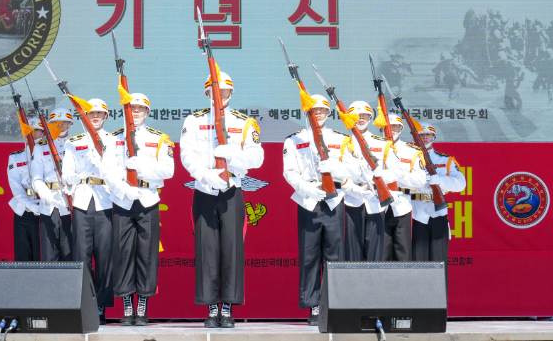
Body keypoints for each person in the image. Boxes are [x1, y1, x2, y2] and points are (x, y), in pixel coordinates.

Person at [180, 71, 264, 328]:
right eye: (215, 92)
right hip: (205, 191)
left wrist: (233, 155)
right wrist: (203, 174)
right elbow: (187, 154)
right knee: (206, 251)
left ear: (230, 93)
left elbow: (257, 158)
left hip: (231, 191)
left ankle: (227, 308)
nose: (219, 95)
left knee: (232, 250)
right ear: (207, 93)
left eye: (224, 91)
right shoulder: (193, 121)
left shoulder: (245, 122)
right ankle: (211, 307)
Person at [282, 94, 362, 325]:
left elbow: (356, 170)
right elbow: (290, 172)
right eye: (313, 110)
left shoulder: (341, 139)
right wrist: (305, 188)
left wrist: (335, 167)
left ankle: (333, 304)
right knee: (309, 256)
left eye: (322, 110)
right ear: (306, 112)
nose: (318, 113)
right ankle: (314, 306)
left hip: (334, 200)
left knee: (335, 256)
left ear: (328, 113)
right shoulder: (295, 140)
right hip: (309, 201)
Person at [107, 93, 174, 326]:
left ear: (147, 112)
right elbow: (107, 172)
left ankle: (143, 304)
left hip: (147, 199)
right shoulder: (113, 138)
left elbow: (168, 170)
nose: (135, 112)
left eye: (139, 109)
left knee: (146, 254)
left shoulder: (159, 138)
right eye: (131, 108)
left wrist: (142, 168)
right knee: (123, 253)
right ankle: (127, 305)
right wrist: (125, 190)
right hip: (123, 200)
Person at [61, 99, 120, 325]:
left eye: (99, 114)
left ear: (106, 117)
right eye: (91, 114)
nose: (95, 117)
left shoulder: (114, 142)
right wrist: (84, 170)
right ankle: (84, 304)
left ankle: (101, 306)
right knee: (82, 256)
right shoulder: (74, 143)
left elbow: (119, 171)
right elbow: (67, 175)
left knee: (104, 256)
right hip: (83, 200)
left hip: (105, 200)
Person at [341, 101, 404, 262]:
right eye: (357, 116)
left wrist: (381, 175)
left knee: (374, 254)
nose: (361, 119)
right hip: (353, 200)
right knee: (352, 254)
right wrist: (355, 190)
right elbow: (339, 175)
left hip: (376, 201)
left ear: (370, 117)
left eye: (364, 116)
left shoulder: (381, 143)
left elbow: (398, 170)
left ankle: (373, 287)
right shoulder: (343, 143)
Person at [411, 122, 466, 264]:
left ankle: (440, 287)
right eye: (421, 135)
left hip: (439, 211)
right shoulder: (409, 159)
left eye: (427, 134)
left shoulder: (445, 160)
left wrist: (439, 180)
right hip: (416, 211)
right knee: (418, 259)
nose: (424, 137)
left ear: (433, 137)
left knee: (439, 260)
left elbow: (461, 184)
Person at [380, 114, 426, 262]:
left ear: (401, 128)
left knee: (403, 252)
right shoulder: (374, 148)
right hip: (379, 204)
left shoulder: (411, 151)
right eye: (388, 126)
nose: (391, 129)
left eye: (395, 126)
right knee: (381, 254)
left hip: (403, 204)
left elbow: (420, 179)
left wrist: (398, 176)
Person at [31, 107, 73, 262]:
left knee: (70, 253)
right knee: (50, 254)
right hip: (49, 205)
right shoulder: (41, 147)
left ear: (70, 123)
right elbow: (36, 179)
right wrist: (46, 195)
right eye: (56, 122)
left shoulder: (75, 144)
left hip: (71, 205)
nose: (60, 125)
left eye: (64, 122)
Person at [7, 118, 43, 261]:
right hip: (23, 210)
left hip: (45, 208)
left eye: (37, 130)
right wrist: (28, 203)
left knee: (42, 255)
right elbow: (15, 185)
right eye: (30, 131)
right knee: (23, 255)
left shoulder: (49, 155)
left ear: (43, 133)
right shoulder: (16, 157)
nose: (33, 134)